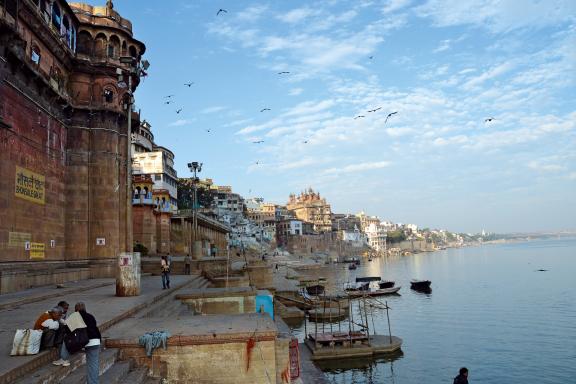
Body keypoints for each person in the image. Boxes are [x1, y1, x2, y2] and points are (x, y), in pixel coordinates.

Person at [54, 302, 101, 384]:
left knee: (66, 340)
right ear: (85, 309)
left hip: (83, 341)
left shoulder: (74, 316)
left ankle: (63, 358)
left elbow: (67, 330)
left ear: (76, 309)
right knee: (93, 364)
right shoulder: (90, 316)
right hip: (95, 341)